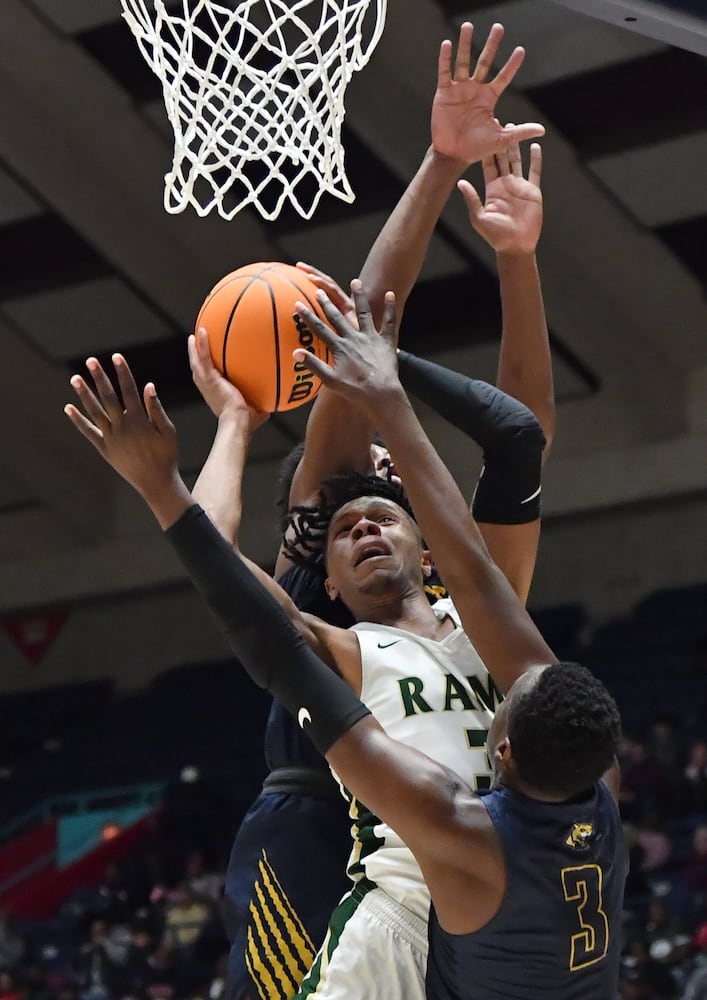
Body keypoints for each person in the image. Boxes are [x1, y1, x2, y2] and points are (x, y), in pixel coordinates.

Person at [64, 284, 627, 998]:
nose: (364, 525)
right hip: (411, 914)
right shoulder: (397, 651)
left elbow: (509, 459)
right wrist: (358, 385)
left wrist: (162, 487)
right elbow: (245, 596)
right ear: (324, 581)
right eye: (343, 527)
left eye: (385, 515)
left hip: (469, 888)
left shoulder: (475, 647)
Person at [189, 20, 551, 998]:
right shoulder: (324, 545)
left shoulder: (453, 583)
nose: (386, 465)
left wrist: (517, 261)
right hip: (319, 831)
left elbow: (519, 437)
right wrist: (437, 164)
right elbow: (361, 327)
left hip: (461, 855)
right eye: (371, 465)